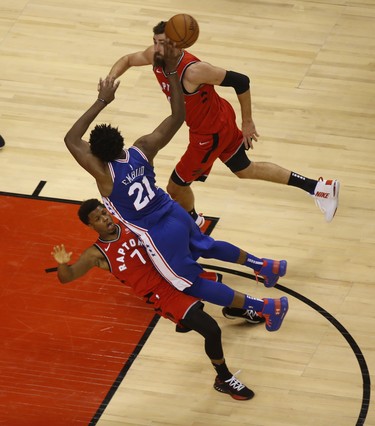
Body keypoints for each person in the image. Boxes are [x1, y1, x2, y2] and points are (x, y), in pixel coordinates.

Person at [51, 199, 289, 400]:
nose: (105, 218)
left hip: (175, 272)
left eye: (104, 212)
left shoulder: (128, 222)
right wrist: (62, 264)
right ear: (90, 225)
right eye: (98, 218)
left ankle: (235, 310)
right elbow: (68, 277)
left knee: (216, 283)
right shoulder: (96, 254)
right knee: (212, 330)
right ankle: (224, 377)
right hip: (162, 293)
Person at [106, 20, 340, 225]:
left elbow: (241, 81)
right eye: (155, 41)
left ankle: (194, 223)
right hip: (218, 120)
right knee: (245, 169)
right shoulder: (155, 55)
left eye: (163, 43)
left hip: (209, 134)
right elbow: (127, 59)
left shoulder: (195, 71)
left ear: (178, 44)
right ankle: (319, 188)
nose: (157, 48)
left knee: (176, 187)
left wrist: (248, 122)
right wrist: (110, 78)